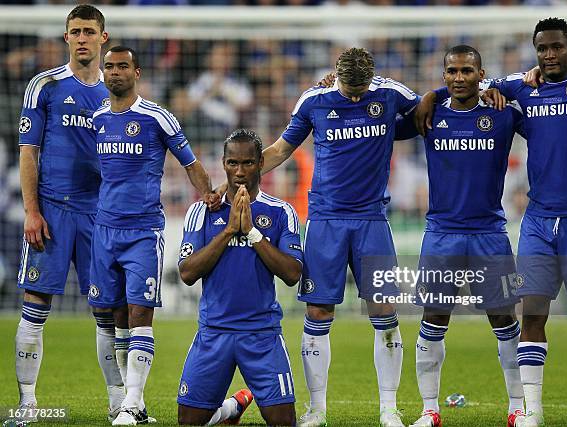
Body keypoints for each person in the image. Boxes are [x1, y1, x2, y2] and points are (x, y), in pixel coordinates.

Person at [423, 18, 567, 427]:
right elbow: (467, 84)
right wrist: (430, 97)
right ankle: (532, 412)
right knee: (532, 314)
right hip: (538, 219)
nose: (549, 55)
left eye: (557, 47)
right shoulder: (522, 87)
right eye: (542, 48)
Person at [259, 47, 420, 427]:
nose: (353, 96)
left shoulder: (390, 92)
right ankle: (317, 409)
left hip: (372, 220)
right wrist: (237, 179)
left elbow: (426, 110)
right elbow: (282, 148)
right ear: (335, 74)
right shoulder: (315, 99)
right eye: (348, 88)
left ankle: (388, 407)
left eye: (360, 89)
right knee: (317, 312)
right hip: (325, 220)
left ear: (372, 78)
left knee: (384, 312)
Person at [88, 46, 217, 426]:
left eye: (122, 66)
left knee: (140, 312)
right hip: (104, 229)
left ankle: (132, 400)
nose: (114, 72)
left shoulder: (156, 117)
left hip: (143, 231)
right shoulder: (97, 119)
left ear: (137, 72)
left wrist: (210, 197)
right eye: (108, 66)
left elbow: (191, 163)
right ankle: (125, 402)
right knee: (110, 315)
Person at [398, 45, 526, 427]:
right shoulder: (430, 113)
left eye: (467, 71)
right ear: (443, 76)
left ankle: (518, 407)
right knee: (433, 318)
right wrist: (428, 96)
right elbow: (381, 109)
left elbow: (537, 101)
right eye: (451, 71)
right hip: (442, 233)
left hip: (490, 233)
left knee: (503, 320)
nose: (458, 77)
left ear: (480, 73)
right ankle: (429, 409)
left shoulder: (502, 114)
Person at [14, 4, 129, 422]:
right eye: (75, 31)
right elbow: (29, 152)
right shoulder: (43, 86)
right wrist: (32, 211)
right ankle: (27, 405)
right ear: (67, 38)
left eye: (89, 31)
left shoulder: (115, 92)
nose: (81, 37)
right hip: (53, 212)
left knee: (107, 310)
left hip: (99, 217)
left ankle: (120, 403)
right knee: (35, 303)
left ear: (103, 38)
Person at [177, 129, 302, 426]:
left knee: (284, 423)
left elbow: (292, 273)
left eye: (247, 163)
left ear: (261, 163)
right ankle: (232, 407)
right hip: (213, 333)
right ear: (223, 164)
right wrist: (230, 230)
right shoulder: (202, 212)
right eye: (233, 163)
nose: (240, 171)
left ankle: (234, 405)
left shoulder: (281, 212)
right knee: (188, 422)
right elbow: (187, 272)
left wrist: (252, 233)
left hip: (262, 335)